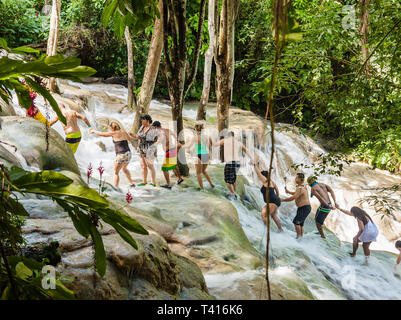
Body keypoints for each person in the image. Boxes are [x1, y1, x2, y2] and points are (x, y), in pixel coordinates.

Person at [89, 122, 135, 188]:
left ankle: (116, 188)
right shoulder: (124, 132)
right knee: (124, 168)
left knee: (116, 172)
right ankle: (131, 183)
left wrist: (93, 131)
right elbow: (130, 139)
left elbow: (102, 134)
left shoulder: (113, 133)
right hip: (128, 153)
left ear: (112, 128)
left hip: (121, 155)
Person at [214, 131, 253, 199]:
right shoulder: (239, 143)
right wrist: (251, 158)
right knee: (233, 178)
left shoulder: (225, 140)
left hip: (230, 163)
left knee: (227, 180)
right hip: (237, 163)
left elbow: (215, 144)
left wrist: (210, 140)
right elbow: (247, 150)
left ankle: (233, 193)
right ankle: (234, 192)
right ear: (233, 136)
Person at [182, 123, 214, 190]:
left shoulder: (195, 137)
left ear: (196, 129)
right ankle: (211, 184)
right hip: (206, 155)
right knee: (203, 171)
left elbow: (188, 146)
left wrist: (180, 146)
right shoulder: (207, 136)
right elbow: (211, 146)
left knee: (198, 173)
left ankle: (202, 188)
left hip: (199, 155)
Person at [152, 121, 183, 189]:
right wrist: (176, 141)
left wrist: (156, 143)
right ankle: (179, 178)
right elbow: (173, 134)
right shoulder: (167, 130)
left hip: (169, 151)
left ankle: (168, 184)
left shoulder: (160, 132)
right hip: (173, 149)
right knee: (173, 165)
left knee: (164, 169)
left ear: (156, 127)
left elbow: (162, 137)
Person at [130, 114, 159, 187]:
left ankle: (153, 183)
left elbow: (152, 139)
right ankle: (144, 181)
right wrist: (132, 135)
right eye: (141, 119)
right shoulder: (142, 127)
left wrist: (138, 136)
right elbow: (137, 136)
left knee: (150, 166)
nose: (141, 121)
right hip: (141, 149)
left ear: (148, 120)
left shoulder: (152, 129)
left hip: (149, 149)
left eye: (143, 119)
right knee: (143, 166)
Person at [281, 173, 311, 239]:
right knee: (300, 223)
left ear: (300, 179)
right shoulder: (302, 186)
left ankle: (299, 237)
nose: (295, 179)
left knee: (296, 222)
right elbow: (297, 193)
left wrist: (283, 200)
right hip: (304, 208)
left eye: (296, 178)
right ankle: (300, 238)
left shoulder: (300, 188)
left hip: (304, 208)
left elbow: (294, 197)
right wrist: (289, 192)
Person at [253, 164, 282, 231]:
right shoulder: (272, 182)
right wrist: (277, 198)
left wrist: (254, 165)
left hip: (272, 202)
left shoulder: (266, 181)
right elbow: (277, 191)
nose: (260, 178)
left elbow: (258, 174)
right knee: (274, 216)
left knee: (264, 214)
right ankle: (280, 230)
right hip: (276, 201)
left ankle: (266, 231)